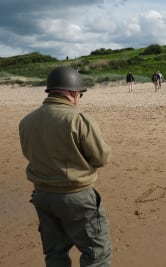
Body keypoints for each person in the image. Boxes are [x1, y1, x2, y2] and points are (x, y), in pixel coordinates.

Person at [19, 66, 112, 267]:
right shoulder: (78, 119)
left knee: (55, 254)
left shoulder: (26, 121)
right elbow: (101, 157)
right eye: (79, 95)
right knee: (97, 255)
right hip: (77, 196)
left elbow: (30, 154)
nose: (79, 99)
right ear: (71, 93)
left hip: (43, 196)